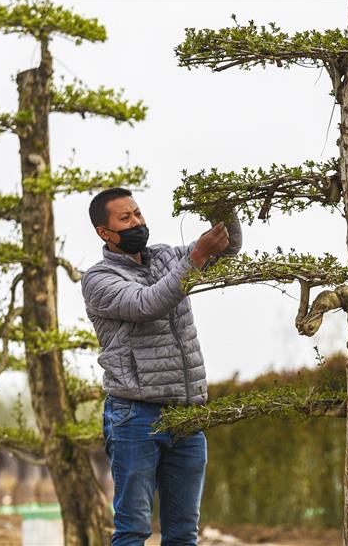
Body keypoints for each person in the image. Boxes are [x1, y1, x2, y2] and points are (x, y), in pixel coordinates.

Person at [80, 187, 242, 545]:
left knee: (183, 533)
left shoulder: (168, 256)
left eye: (137, 213)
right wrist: (195, 258)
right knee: (133, 529)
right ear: (104, 232)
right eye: (125, 218)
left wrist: (225, 208)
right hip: (135, 416)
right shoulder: (98, 279)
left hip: (186, 414)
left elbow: (227, 249)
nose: (136, 222)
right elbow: (147, 304)